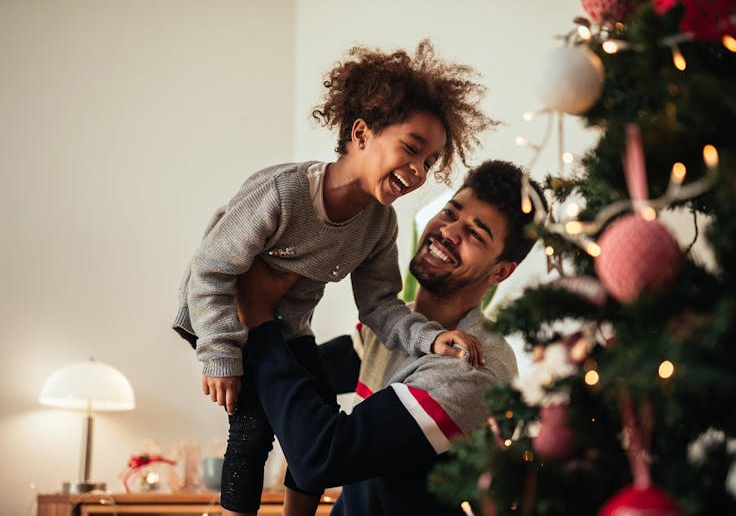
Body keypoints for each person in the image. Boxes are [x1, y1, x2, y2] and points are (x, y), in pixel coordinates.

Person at [172, 40, 497, 516]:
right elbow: (211, 269)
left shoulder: (378, 224)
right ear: (361, 133)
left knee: (320, 412)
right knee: (254, 426)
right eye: (411, 149)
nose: (419, 170)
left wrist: (431, 340)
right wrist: (219, 352)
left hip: (286, 328)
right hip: (218, 312)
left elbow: (381, 306)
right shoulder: (284, 194)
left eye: (430, 161)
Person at [235, 160, 546, 515]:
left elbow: (321, 457)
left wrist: (259, 316)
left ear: (501, 271)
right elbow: (299, 381)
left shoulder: (473, 364)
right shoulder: (394, 327)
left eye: (475, 234)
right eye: (450, 213)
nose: (449, 232)